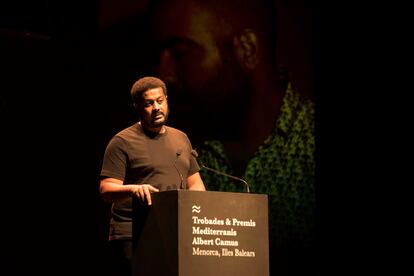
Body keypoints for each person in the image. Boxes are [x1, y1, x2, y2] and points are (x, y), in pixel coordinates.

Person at [145, 0, 316, 275]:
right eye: (160, 54)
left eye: (180, 53)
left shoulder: (308, 142)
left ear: (247, 49)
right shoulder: (174, 151)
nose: (164, 74)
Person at [99, 76, 206, 276]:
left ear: (166, 99)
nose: (156, 107)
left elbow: (196, 185)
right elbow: (106, 190)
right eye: (149, 103)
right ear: (137, 107)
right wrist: (134, 189)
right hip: (133, 233)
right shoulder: (122, 142)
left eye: (160, 101)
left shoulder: (181, 139)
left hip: (173, 231)